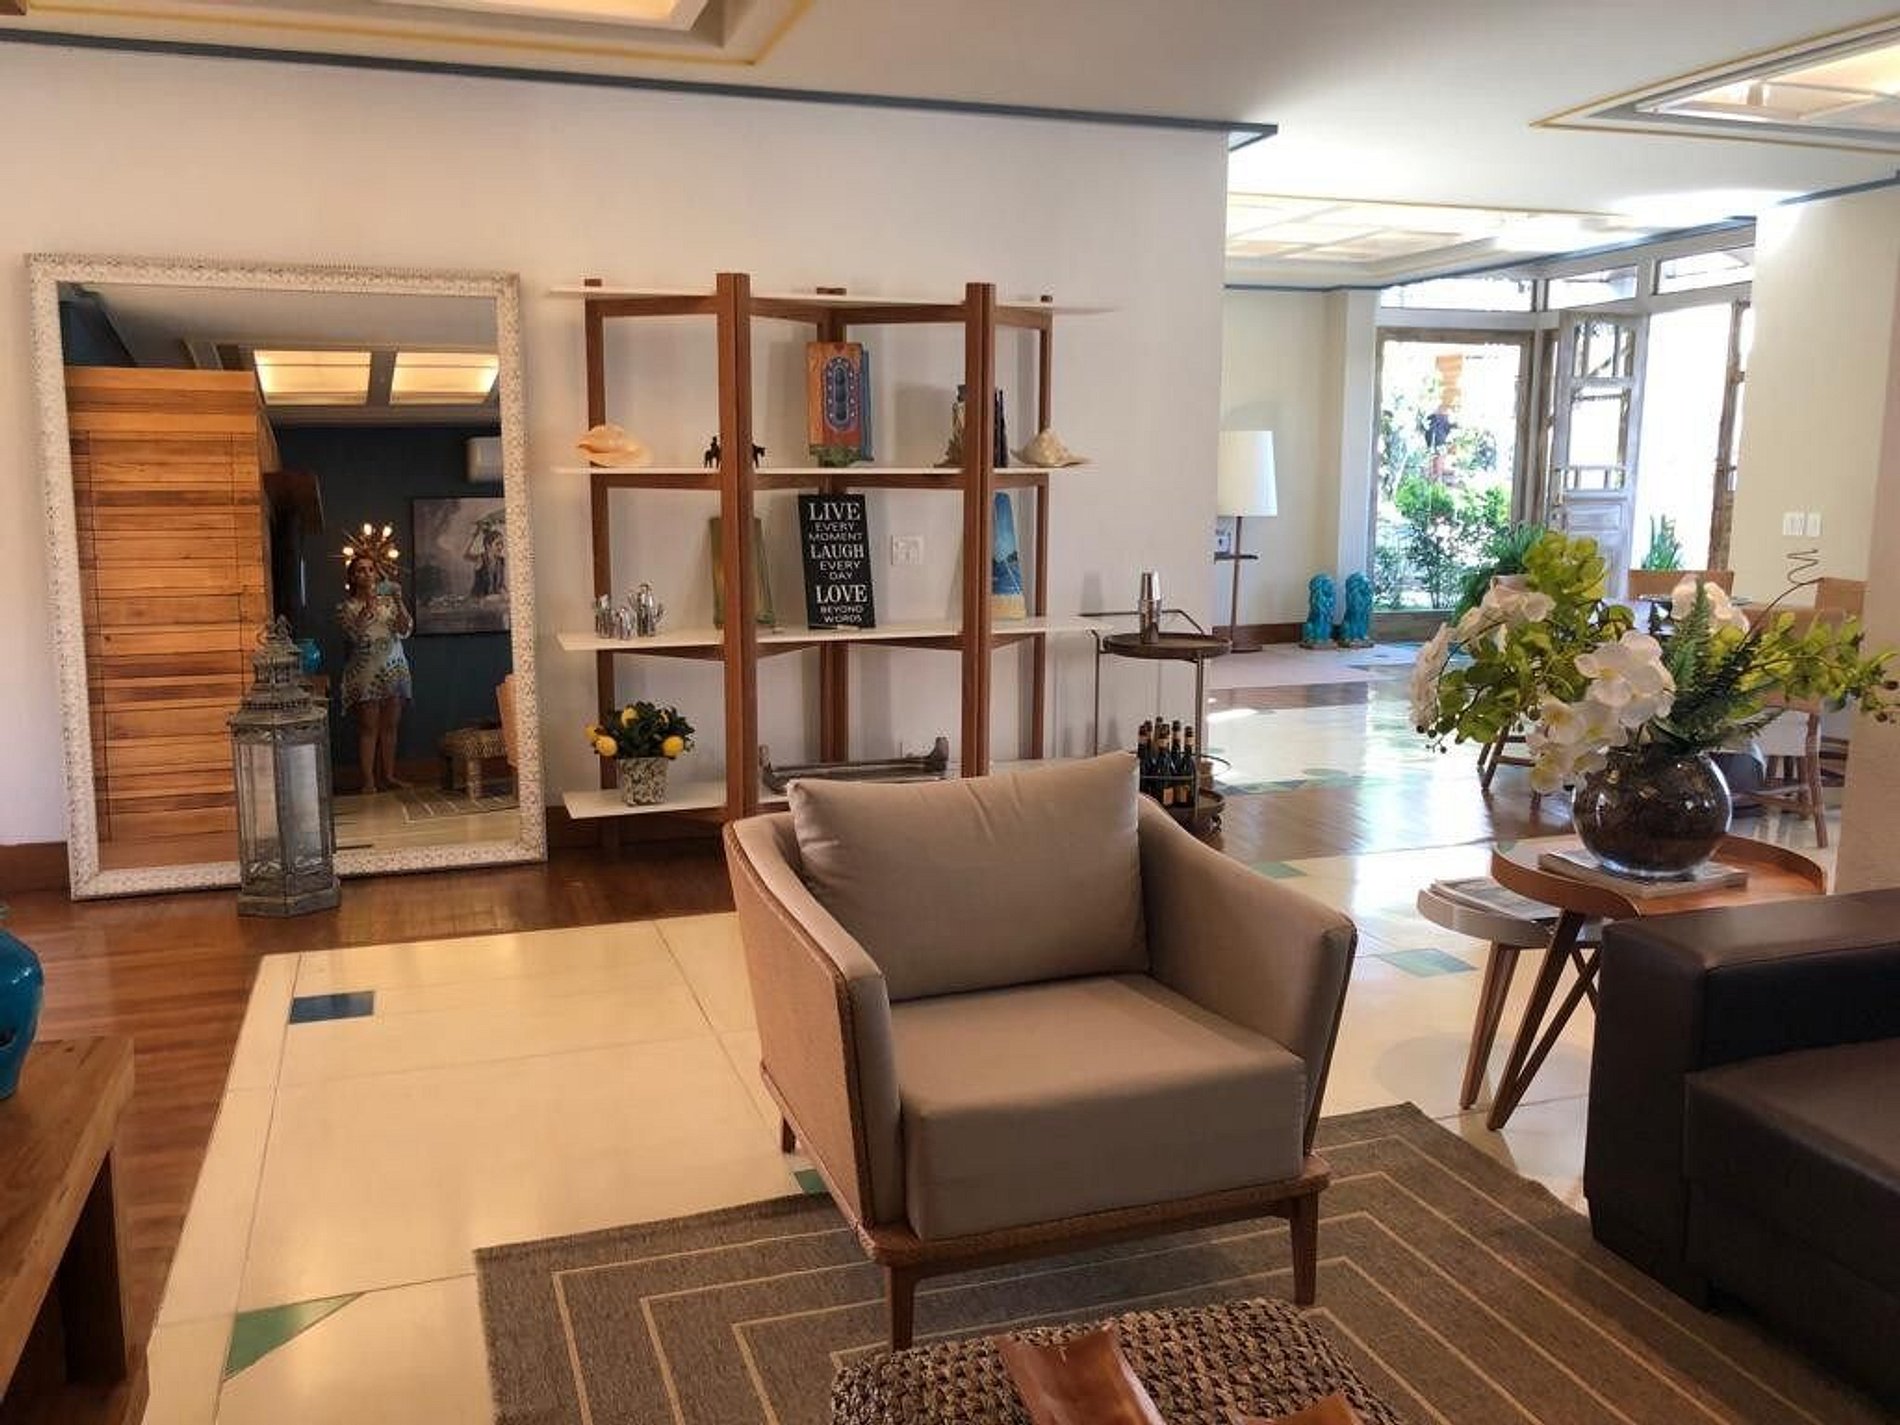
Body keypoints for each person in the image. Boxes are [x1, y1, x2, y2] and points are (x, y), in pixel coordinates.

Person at [337, 555, 414, 794]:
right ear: (353, 577)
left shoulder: (389, 604)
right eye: (361, 570)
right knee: (368, 727)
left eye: (371, 569)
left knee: (391, 726)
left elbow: (405, 629)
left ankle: (388, 776)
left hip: (394, 667)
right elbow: (354, 634)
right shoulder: (347, 607)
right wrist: (368, 607)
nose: (367, 574)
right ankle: (368, 780)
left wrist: (398, 600)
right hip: (366, 671)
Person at [466, 522, 506, 598]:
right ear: (488, 545)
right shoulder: (481, 559)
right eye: (497, 544)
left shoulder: (501, 561)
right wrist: (474, 536)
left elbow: (501, 584)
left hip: (493, 598)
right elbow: (465, 555)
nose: (501, 547)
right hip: (478, 599)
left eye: (502, 543)